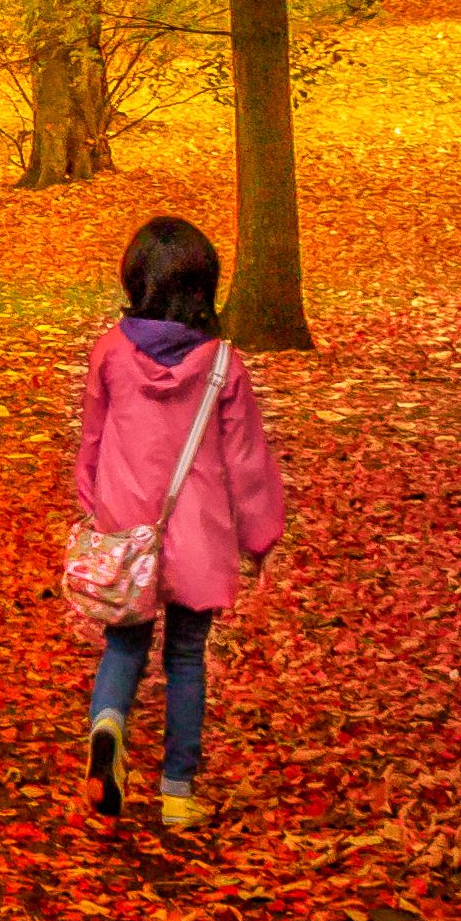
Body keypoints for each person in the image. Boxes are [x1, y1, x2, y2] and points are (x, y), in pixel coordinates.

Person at [71, 215, 290, 835]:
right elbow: (246, 460)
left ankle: (108, 723)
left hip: (126, 528)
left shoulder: (111, 351)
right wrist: (260, 535)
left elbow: (94, 433)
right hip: (197, 535)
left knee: (124, 643)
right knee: (188, 657)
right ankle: (177, 791)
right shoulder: (224, 365)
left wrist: (94, 499)